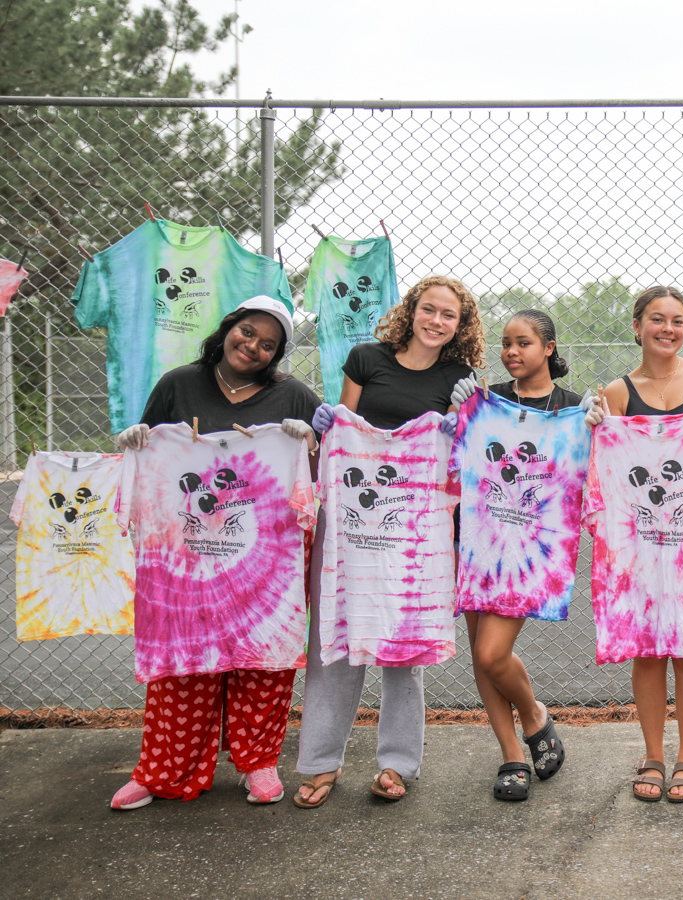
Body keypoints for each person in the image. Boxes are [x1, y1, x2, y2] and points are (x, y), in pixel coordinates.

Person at [110, 296, 319, 809]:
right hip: (187, 559)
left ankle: (259, 763)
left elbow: (330, 464)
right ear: (228, 328)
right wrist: (136, 440)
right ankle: (164, 770)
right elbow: (149, 450)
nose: (253, 346)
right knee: (185, 660)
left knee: (262, 659)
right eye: (247, 333)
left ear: (277, 354)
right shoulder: (179, 383)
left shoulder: (293, 395)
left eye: (268, 344)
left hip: (263, 561)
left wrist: (310, 439)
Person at [294, 275, 484, 808]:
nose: (436, 321)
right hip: (352, 518)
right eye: (430, 309)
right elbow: (342, 426)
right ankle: (319, 762)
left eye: (449, 315)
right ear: (412, 310)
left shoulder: (458, 376)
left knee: (403, 643)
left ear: (459, 325)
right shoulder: (366, 358)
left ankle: (398, 762)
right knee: (335, 633)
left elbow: (458, 455)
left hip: (414, 524)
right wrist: (326, 426)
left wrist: (457, 421)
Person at [586, 285, 683, 803]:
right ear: (637, 326)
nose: (667, 329)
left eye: (677, 320)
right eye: (657, 319)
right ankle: (653, 753)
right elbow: (602, 466)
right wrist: (593, 428)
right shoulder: (618, 393)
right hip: (639, 545)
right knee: (648, 652)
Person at [447, 308, 589, 801]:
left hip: (531, 550)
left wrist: (597, 426)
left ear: (548, 348)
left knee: (492, 652)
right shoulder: (488, 404)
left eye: (523, 342)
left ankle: (534, 716)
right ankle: (511, 753)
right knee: (481, 656)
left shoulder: (573, 407)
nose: (512, 352)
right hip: (478, 539)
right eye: (506, 343)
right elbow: (454, 453)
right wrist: (456, 413)